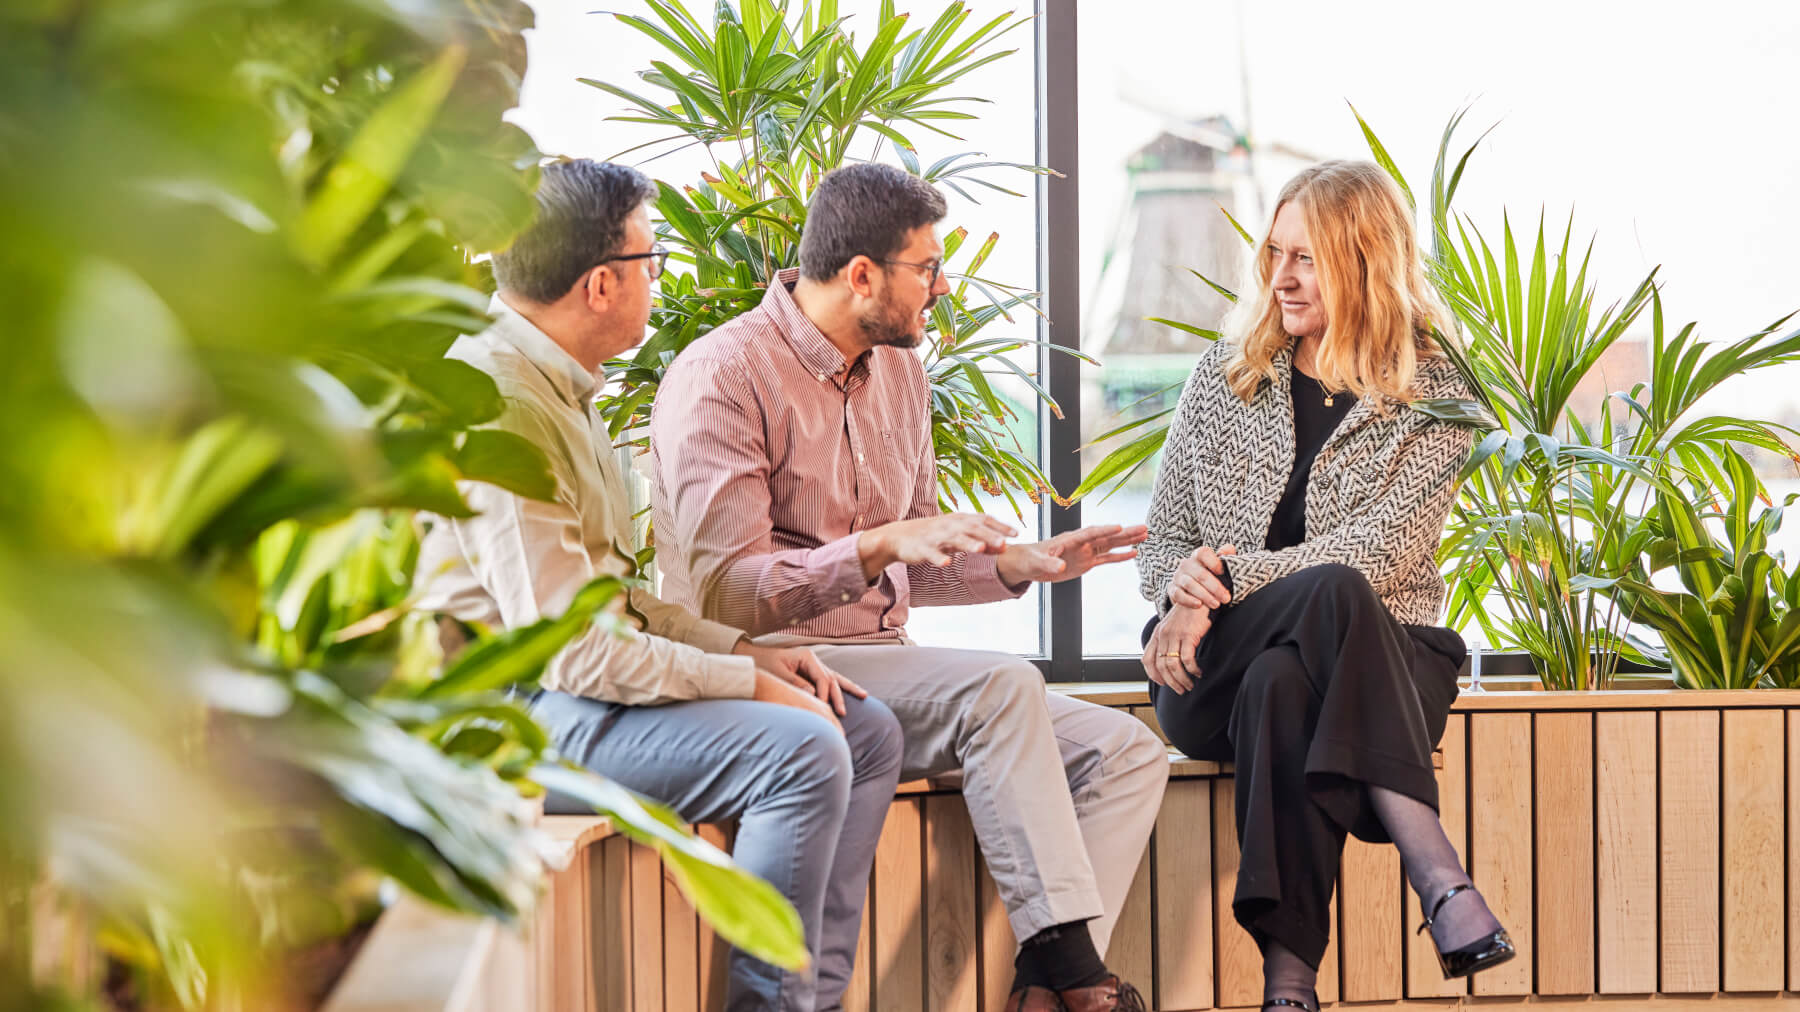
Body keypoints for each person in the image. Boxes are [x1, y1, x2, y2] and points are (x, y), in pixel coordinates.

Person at [649, 163, 1169, 1012]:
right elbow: (723, 597)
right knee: (1003, 686)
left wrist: (1017, 565)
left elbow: (910, 566)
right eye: (926, 268)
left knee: (1127, 752)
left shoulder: (900, 375)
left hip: (886, 668)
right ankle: (1082, 979)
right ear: (862, 273)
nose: (942, 287)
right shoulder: (723, 375)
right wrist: (875, 543)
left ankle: (1046, 990)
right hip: (780, 668)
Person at [413, 159, 905, 1012]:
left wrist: (750, 653)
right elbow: (570, 652)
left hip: (568, 694)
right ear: (602, 284)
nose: (659, 277)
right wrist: (746, 681)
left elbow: (620, 598)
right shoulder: (500, 401)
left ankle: (810, 1002)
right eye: (653, 260)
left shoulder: (563, 389)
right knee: (801, 749)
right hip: (512, 718)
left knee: (863, 729)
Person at [1135, 160, 1513, 1012]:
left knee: (1295, 664)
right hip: (1206, 670)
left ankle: (1288, 988)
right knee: (1305, 618)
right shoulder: (1228, 376)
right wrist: (1183, 586)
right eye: (1275, 253)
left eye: (1305, 258)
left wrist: (1222, 577)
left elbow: (1382, 556)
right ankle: (1439, 873)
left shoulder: (1438, 392)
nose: (1280, 277)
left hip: (1387, 656)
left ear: (1365, 259)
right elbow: (1162, 546)